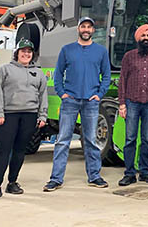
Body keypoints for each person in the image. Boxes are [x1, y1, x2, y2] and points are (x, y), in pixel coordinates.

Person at [43, 16, 111, 191]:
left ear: (93, 30)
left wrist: (99, 94)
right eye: (83, 26)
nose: (86, 30)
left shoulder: (101, 52)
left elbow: (106, 76)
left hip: (91, 102)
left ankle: (94, 176)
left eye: (89, 27)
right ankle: (56, 178)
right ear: (78, 29)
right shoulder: (67, 50)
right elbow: (58, 76)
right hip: (70, 101)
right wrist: (63, 94)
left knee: (90, 140)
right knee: (63, 140)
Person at [0, 39, 48, 201]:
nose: (26, 54)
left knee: (20, 151)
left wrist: (42, 115)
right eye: (23, 51)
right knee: (3, 151)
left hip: (29, 116)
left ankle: (12, 183)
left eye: (29, 51)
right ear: (17, 53)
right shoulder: (5, 70)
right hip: (8, 116)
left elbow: (42, 95)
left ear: (32, 54)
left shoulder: (38, 73)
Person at [117, 24, 148, 186]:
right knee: (130, 139)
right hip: (132, 103)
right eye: (143, 35)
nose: (146, 38)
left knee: (146, 139)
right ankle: (129, 173)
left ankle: (145, 171)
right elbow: (122, 80)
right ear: (138, 38)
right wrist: (122, 104)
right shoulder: (129, 56)